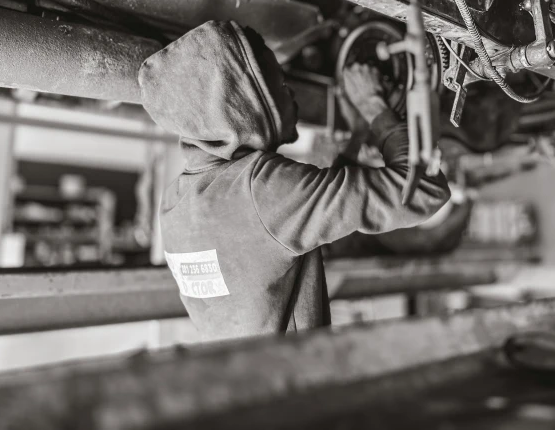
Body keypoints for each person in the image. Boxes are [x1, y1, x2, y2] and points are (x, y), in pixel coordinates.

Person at [138, 20, 450, 341]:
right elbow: (424, 191)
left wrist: (357, 134)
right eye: (280, 84)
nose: (293, 94)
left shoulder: (175, 202)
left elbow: (295, 226)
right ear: (244, 103)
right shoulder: (259, 190)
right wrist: (374, 105)